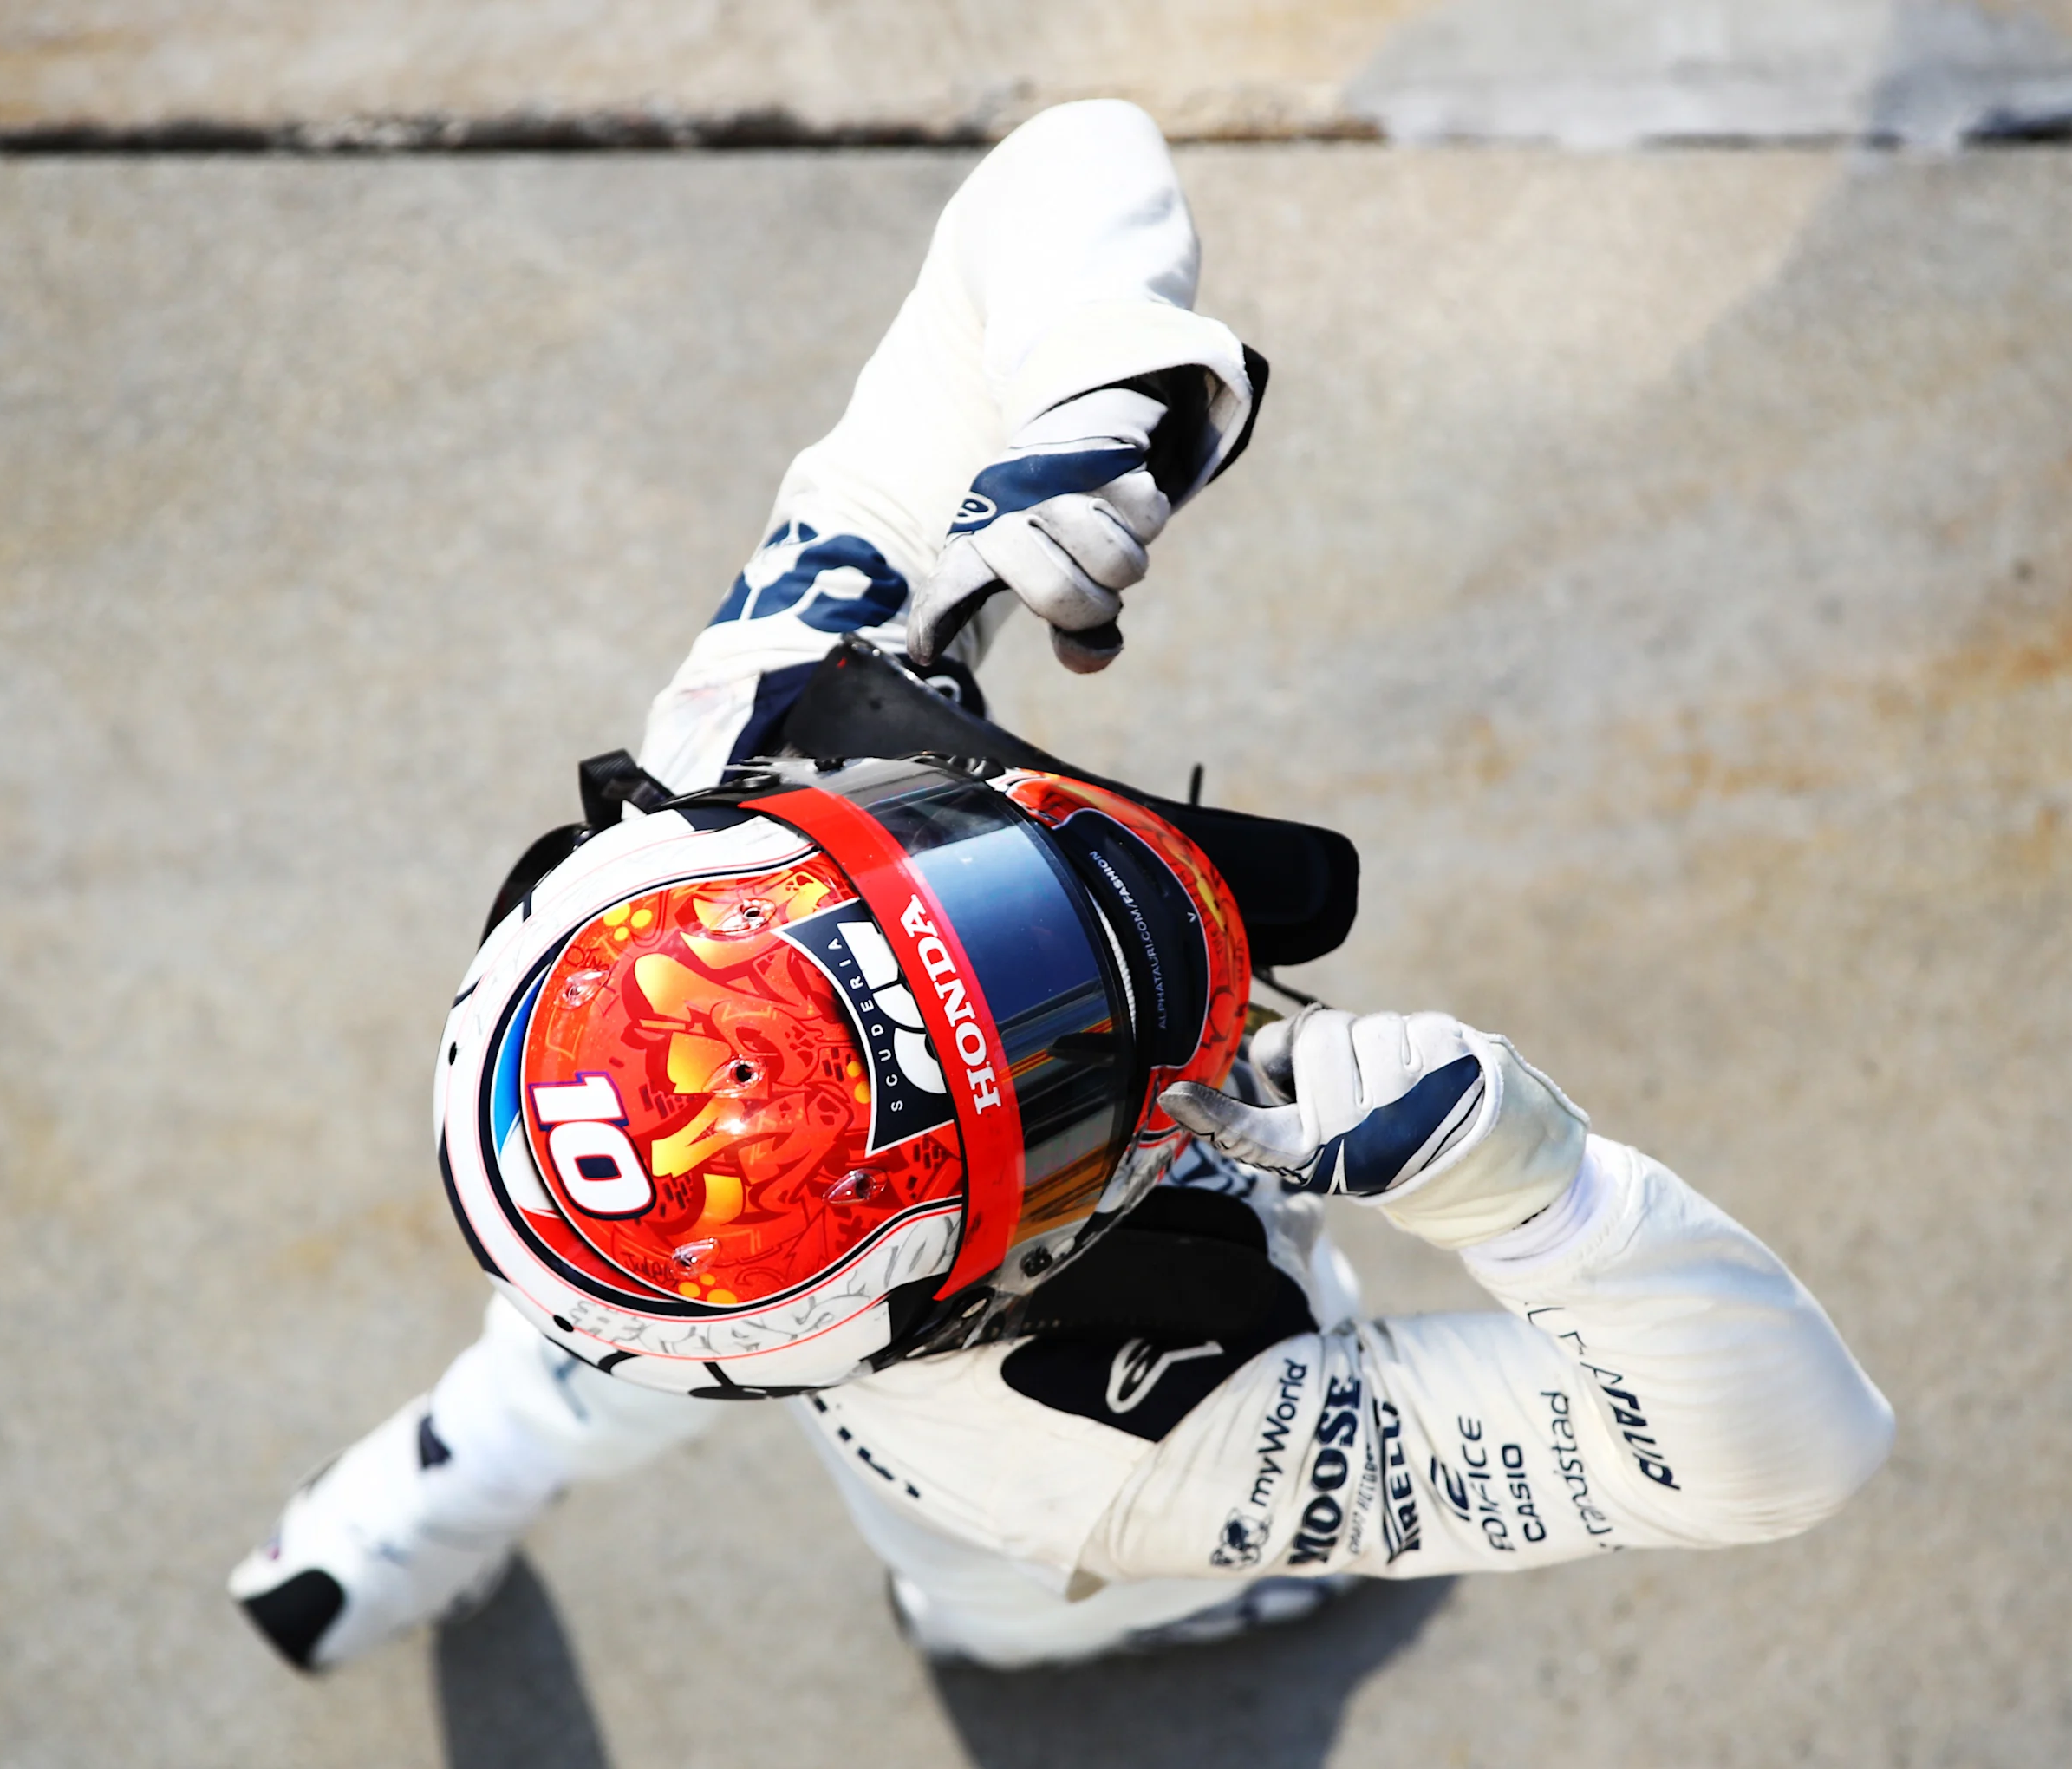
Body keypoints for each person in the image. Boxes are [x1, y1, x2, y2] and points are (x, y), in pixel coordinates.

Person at [228, 99, 1893, 1674]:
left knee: (648, 1288)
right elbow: (1782, 1459)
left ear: (695, 875)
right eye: (1061, 1069)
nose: (1111, 929)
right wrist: (1531, 1191)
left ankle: (408, 1513)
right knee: (1012, 1603)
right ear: (995, 1277)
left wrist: (1097, 381)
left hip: (768, 1316)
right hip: (1015, 1492)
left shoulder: (756, 750)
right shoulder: (1104, 1456)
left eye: (958, 880)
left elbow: (1068, 157)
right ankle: (979, 1632)